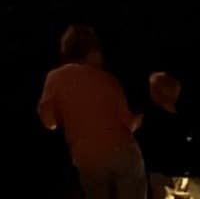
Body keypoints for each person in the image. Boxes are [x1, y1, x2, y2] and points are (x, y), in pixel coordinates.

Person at [37, 24, 143, 199]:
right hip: (123, 151)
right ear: (93, 51)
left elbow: (50, 123)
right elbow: (128, 124)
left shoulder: (55, 78)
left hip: (87, 158)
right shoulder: (108, 79)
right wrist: (139, 120)